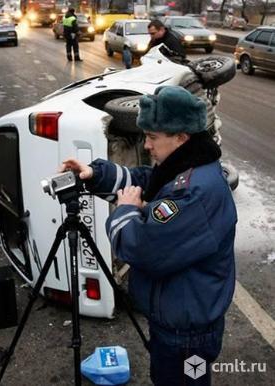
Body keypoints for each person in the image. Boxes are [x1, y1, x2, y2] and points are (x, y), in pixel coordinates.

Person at [62, 86, 237, 386]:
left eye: (153, 137)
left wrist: (125, 210)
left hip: (186, 337)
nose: (147, 146)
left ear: (181, 137)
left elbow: (142, 249)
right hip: (177, 320)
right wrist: (94, 174)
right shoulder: (185, 165)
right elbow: (148, 182)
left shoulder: (194, 193)